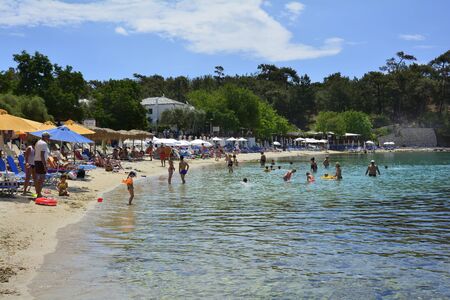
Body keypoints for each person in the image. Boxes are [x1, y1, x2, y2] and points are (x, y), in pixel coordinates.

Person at [34, 132, 50, 198]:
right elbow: (42, 155)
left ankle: (38, 193)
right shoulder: (44, 143)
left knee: (38, 179)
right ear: (45, 137)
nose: (49, 138)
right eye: (48, 137)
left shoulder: (38, 142)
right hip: (41, 162)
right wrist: (45, 165)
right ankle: (39, 194)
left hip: (36, 161)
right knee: (41, 179)